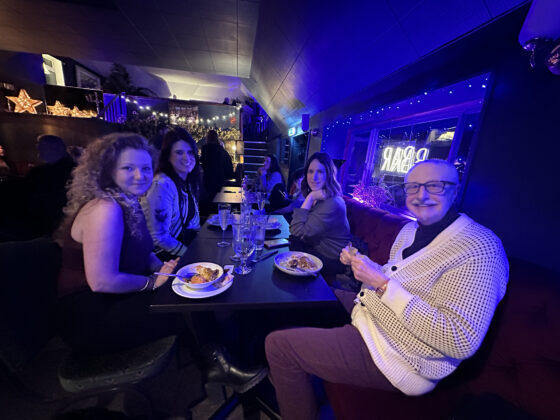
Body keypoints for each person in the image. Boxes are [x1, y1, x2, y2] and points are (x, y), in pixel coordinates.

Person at [265, 159, 509, 419]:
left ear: (455, 190)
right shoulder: (410, 230)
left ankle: (286, 376)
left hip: (397, 356)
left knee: (278, 347)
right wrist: (367, 265)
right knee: (305, 294)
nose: (421, 195)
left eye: (434, 186)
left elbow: (458, 340)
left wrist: (381, 283)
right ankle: (289, 379)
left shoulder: (480, 247)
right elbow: (397, 279)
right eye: (413, 187)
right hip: (372, 315)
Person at [56, 133, 183, 353]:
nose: (140, 176)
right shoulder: (105, 208)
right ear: (107, 170)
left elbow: (144, 251)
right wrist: (152, 282)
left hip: (119, 297)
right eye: (128, 168)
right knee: (189, 305)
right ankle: (215, 361)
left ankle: (213, 359)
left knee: (191, 293)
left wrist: (164, 270)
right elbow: (102, 282)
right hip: (92, 314)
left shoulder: (129, 201)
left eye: (146, 168)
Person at [141, 128, 201, 260]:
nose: (186, 158)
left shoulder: (186, 181)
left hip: (181, 247)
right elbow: (159, 237)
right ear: (168, 156)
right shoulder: (162, 185)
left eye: (190, 152)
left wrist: (203, 243)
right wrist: (190, 255)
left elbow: (194, 223)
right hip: (161, 258)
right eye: (179, 152)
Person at [289, 152, 351, 274]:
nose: (314, 177)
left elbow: (297, 231)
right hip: (314, 248)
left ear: (329, 174)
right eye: (310, 171)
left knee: (290, 247)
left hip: (331, 259)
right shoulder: (320, 195)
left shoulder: (332, 203)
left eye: (320, 172)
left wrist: (310, 198)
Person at [25, 134, 76, 237]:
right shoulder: (75, 168)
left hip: (52, 222)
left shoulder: (39, 173)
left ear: (54, 148)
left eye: (41, 147)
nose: (38, 149)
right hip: (58, 221)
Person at [200, 129, 234, 201]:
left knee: (210, 198)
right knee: (219, 199)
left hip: (208, 179)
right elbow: (228, 164)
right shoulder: (221, 150)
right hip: (220, 178)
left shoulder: (205, 149)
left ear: (207, 138)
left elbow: (203, 162)